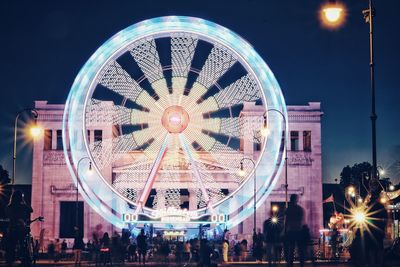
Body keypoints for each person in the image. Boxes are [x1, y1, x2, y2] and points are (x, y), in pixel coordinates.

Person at [5, 190, 33, 266]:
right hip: (21, 229)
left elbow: (7, 213)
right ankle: (25, 257)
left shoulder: (9, 206)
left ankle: (10, 259)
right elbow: (31, 210)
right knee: (23, 243)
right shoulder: (23, 206)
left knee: (11, 245)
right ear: (21, 197)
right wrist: (24, 201)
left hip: (13, 229)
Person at [364, 186, 387, 267]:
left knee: (371, 249)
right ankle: (380, 264)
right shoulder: (381, 206)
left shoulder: (369, 206)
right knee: (379, 248)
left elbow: (366, 219)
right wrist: (383, 228)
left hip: (371, 230)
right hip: (379, 230)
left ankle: (372, 264)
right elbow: (385, 219)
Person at [284, 194, 305, 267]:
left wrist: (285, 230)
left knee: (291, 249)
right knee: (300, 249)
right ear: (296, 200)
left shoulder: (288, 209)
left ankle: (290, 264)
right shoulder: (300, 209)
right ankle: (301, 264)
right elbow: (302, 221)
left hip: (291, 231)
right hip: (298, 230)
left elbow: (286, 221)